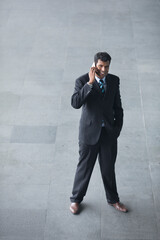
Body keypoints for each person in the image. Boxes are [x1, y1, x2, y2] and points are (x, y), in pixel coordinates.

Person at [69, 52, 128, 214]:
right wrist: (90, 83)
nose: (104, 70)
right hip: (89, 133)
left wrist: (117, 130)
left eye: (107, 66)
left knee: (108, 168)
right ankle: (76, 200)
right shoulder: (82, 81)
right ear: (94, 65)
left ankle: (113, 200)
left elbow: (118, 108)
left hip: (108, 133)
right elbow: (75, 103)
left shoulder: (114, 80)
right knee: (84, 167)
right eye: (101, 66)